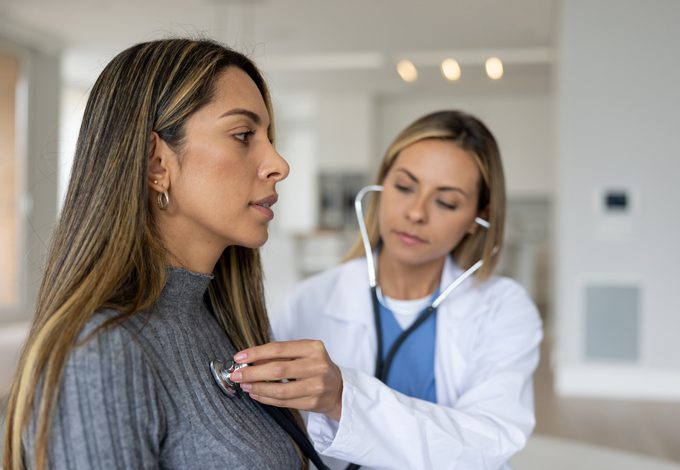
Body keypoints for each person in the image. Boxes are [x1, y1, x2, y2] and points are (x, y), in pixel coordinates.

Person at [2, 38, 314, 470]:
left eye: (268, 137)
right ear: (156, 164)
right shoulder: (102, 352)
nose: (279, 163)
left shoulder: (218, 322)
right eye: (244, 135)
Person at [230, 110, 543, 469]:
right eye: (405, 187)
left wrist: (344, 398)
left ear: (478, 217)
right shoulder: (311, 300)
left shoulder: (504, 309)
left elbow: (488, 443)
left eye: (446, 201)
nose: (416, 212)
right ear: (381, 186)